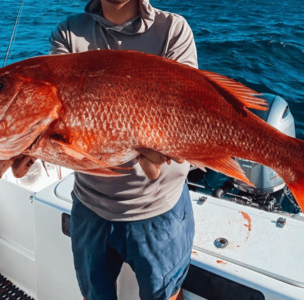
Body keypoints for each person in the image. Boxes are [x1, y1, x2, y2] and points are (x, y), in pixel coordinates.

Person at [48, 0, 198, 299]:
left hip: (158, 207)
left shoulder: (172, 29)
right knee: (95, 294)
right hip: (91, 205)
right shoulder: (68, 32)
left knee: (165, 294)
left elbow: (187, 104)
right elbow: (58, 112)